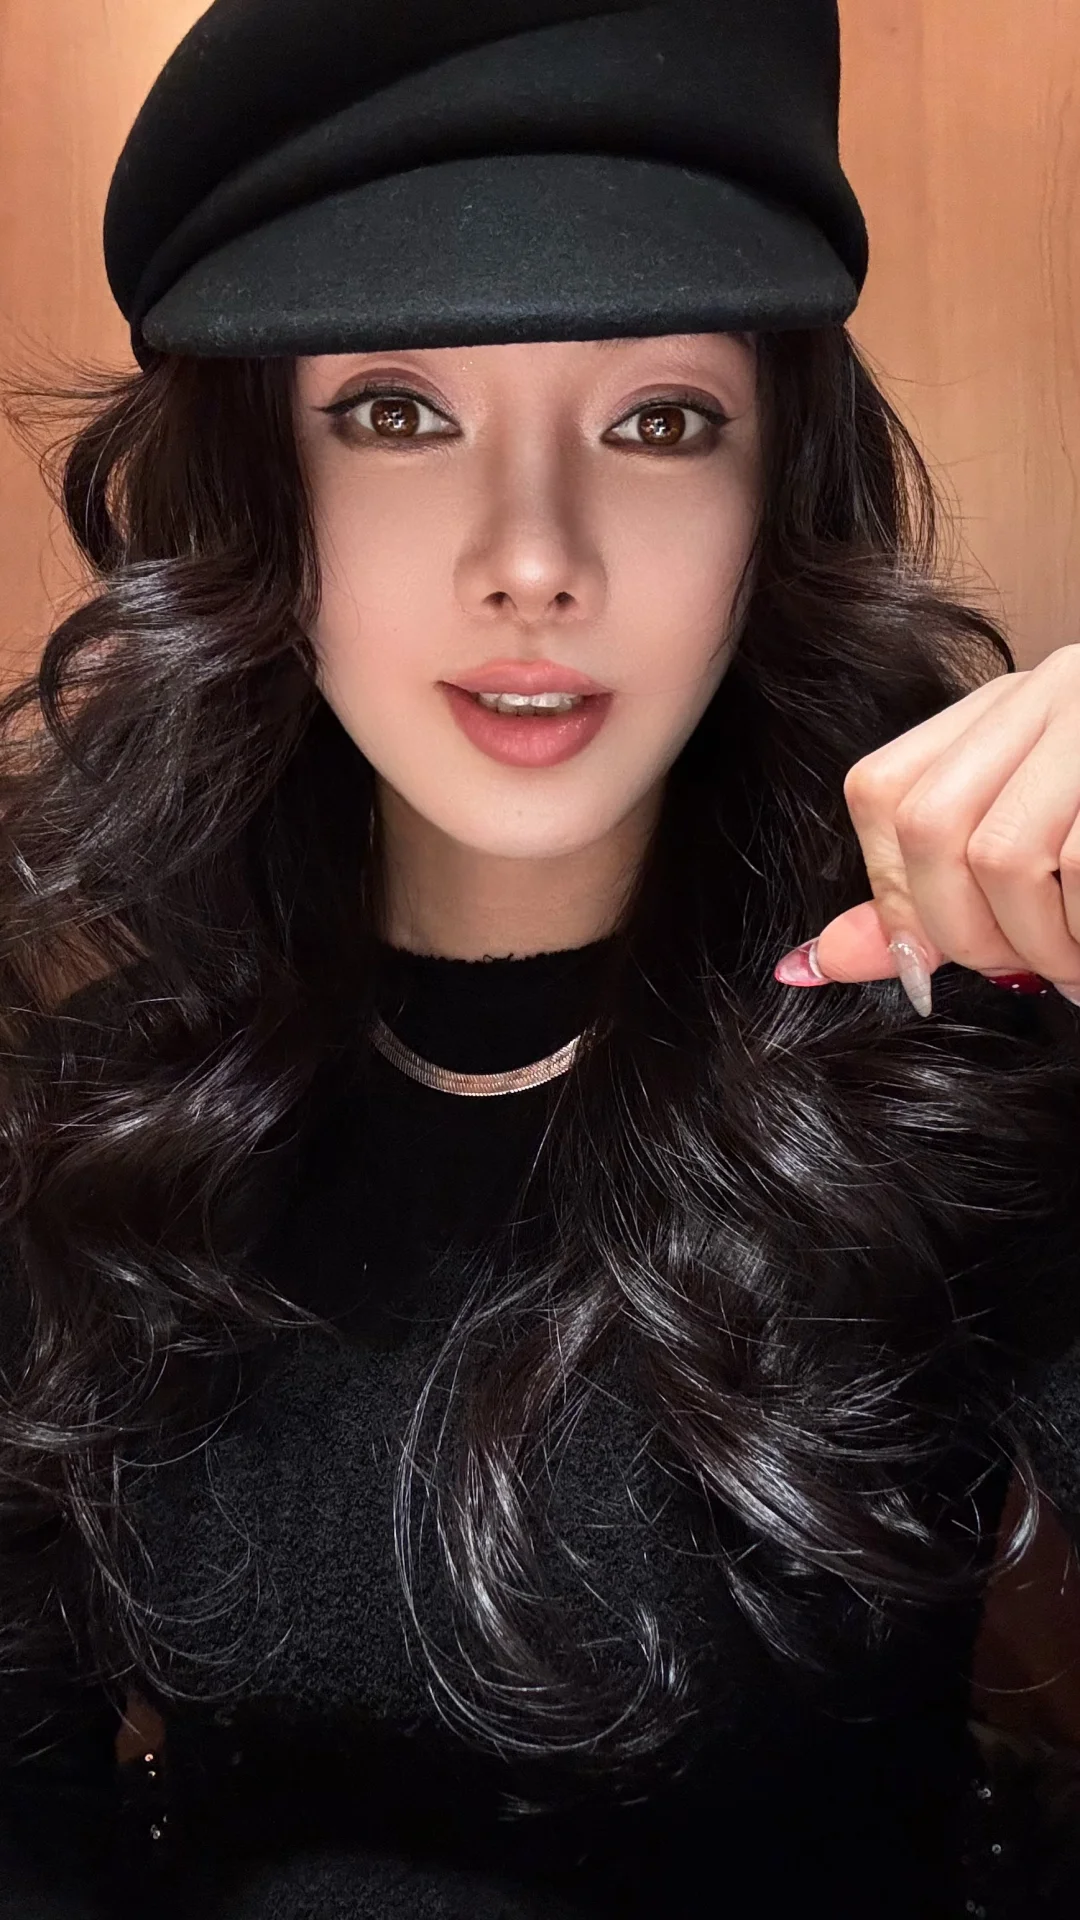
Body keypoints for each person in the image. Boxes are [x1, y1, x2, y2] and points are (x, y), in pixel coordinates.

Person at [0, 2, 1078, 1915]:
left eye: (660, 420)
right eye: (397, 412)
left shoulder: (950, 1064)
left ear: (772, 493)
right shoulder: (101, 1111)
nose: (533, 558)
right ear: (262, 487)